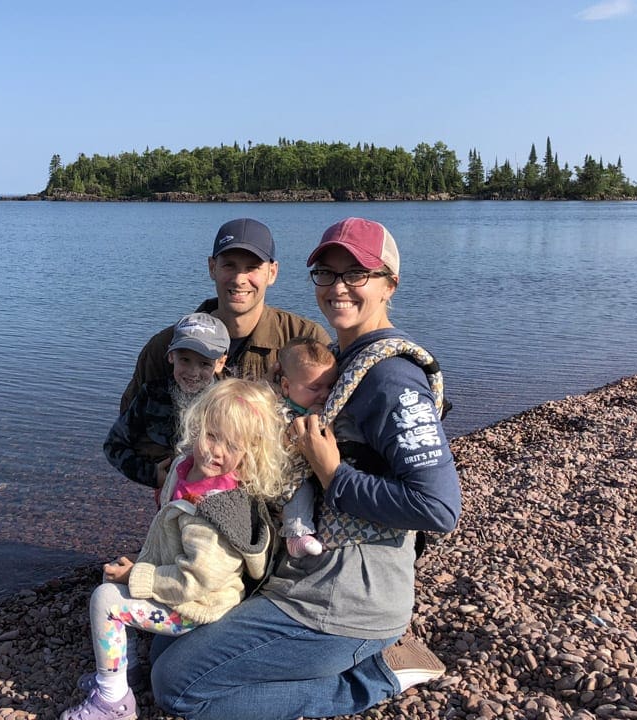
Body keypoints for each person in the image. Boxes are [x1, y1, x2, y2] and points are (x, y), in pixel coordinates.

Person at [149, 217, 462, 720]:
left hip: (346, 601)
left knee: (175, 687)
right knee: (161, 649)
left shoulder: (392, 380)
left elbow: (439, 507)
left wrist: (335, 473)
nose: (339, 287)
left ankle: (373, 678)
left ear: (389, 284)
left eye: (357, 273)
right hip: (300, 575)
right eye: (326, 273)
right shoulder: (334, 363)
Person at [59, 378, 287, 720]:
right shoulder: (184, 468)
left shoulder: (217, 513)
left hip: (199, 607)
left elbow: (195, 581)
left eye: (232, 445)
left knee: (105, 601)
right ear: (197, 424)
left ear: (250, 453)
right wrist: (140, 564)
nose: (215, 451)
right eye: (211, 435)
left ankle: (114, 701)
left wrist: (139, 574)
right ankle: (126, 670)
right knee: (111, 580)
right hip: (181, 586)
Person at [119, 217, 330, 414]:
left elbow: (336, 419)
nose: (239, 279)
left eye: (252, 267)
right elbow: (127, 430)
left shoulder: (306, 338)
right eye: (229, 265)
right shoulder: (164, 346)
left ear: (272, 272)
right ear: (212, 268)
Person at [103, 312, 230, 491]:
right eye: (185, 360)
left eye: (204, 364)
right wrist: (153, 476)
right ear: (171, 355)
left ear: (220, 363)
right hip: (168, 491)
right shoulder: (151, 396)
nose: (193, 372)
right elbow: (113, 445)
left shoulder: (229, 402)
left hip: (218, 492)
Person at [274, 336, 337, 558]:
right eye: (314, 387)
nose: (325, 394)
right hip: (287, 475)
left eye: (330, 386)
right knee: (300, 493)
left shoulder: (314, 405)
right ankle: (296, 535)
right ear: (286, 386)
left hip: (314, 468)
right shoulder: (280, 411)